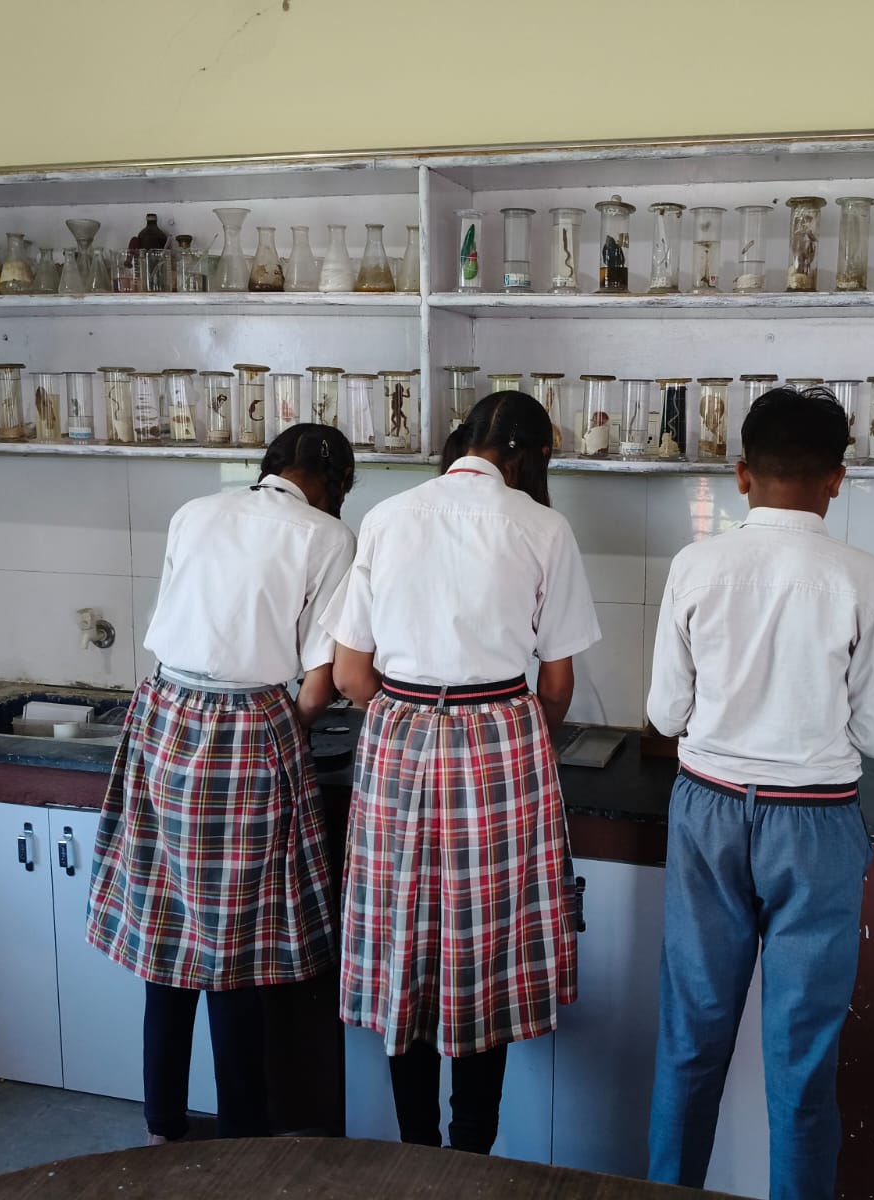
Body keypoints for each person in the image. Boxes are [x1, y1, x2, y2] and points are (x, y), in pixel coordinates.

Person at [324, 391, 600, 1155]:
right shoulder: (541, 526)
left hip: (398, 740)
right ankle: (472, 1155)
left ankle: (417, 1152)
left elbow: (349, 674)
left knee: (404, 945)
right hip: (500, 742)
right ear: (531, 455)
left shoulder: (387, 516)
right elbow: (557, 685)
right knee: (488, 950)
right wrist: (514, 735)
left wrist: (413, 718)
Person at [646, 386, 874, 1200]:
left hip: (709, 811)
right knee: (802, 1059)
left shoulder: (695, 566)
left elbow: (665, 715)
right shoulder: (861, 575)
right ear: (837, 479)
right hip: (816, 823)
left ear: (742, 474)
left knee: (691, 1040)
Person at [86, 424, 357, 1144]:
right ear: (334, 481)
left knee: (169, 929)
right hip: (244, 727)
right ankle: (243, 1135)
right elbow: (321, 678)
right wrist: (289, 723)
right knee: (234, 944)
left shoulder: (195, 510)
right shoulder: (328, 535)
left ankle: (163, 1124)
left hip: (161, 714)